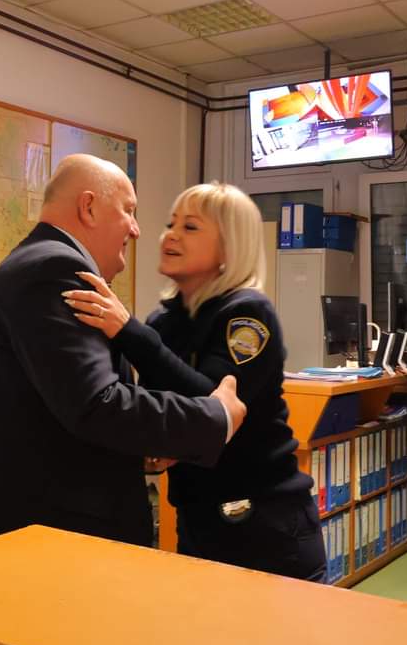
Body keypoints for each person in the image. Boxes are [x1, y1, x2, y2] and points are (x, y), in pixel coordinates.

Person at [0, 154, 247, 553]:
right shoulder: (54, 269)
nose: (136, 229)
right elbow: (97, 404)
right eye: (128, 211)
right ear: (88, 207)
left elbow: (57, 410)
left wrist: (140, 448)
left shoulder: (41, 262)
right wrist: (214, 417)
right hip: (31, 538)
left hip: (30, 526)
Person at [64, 182, 326, 581]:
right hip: (197, 517)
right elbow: (161, 408)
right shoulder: (162, 321)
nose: (170, 235)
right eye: (171, 224)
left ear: (228, 248)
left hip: (263, 524)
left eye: (190, 227)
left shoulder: (247, 314)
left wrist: (129, 333)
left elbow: (214, 404)